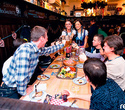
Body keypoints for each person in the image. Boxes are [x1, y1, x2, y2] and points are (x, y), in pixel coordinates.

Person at [0, 26, 66, 99]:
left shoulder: (34, 48)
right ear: (42, 38)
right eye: (46, 37)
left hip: (19, 87)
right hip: (10, 90)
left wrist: (62, 45)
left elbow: (48, 50)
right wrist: (24, 92)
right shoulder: (25, 50)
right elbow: (21, 77)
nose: (47, 39)